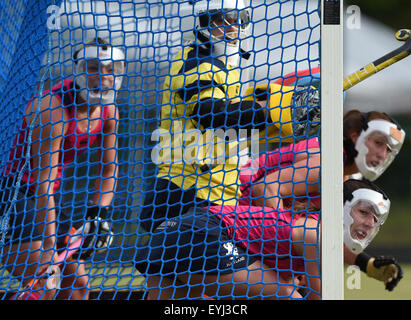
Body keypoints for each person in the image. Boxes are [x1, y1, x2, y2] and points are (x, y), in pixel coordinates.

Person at [138, 0, 321, 235]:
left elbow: (229, 131)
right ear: (196, 23)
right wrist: (269, 110)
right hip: (189, 191)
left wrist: (275, 119)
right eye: (219, 21)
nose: (232, 27)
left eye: (236, 20)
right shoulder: (198, 62)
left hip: (214, 191)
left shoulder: (224, 67)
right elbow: (213, 115)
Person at [0, 37, 124, 300]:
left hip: (44, 198)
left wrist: (98, 215)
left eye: (110, 69)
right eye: (93, 67)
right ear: (79, 70)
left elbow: (109, 169)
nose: (103, 77)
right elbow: (42, 182)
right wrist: (49, 242)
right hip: (13, 193)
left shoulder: (109, 112)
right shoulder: (52, 110)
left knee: (77, 286)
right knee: (47, 282)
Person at [142, 179, 401, 300]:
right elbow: (317, 295)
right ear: (341, 207)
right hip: (201, 233)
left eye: (376, 220)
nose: (369, 223)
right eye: (364, 212)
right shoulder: (319, 233)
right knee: (287, 296)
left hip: (166, 236)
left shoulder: (306, 229)